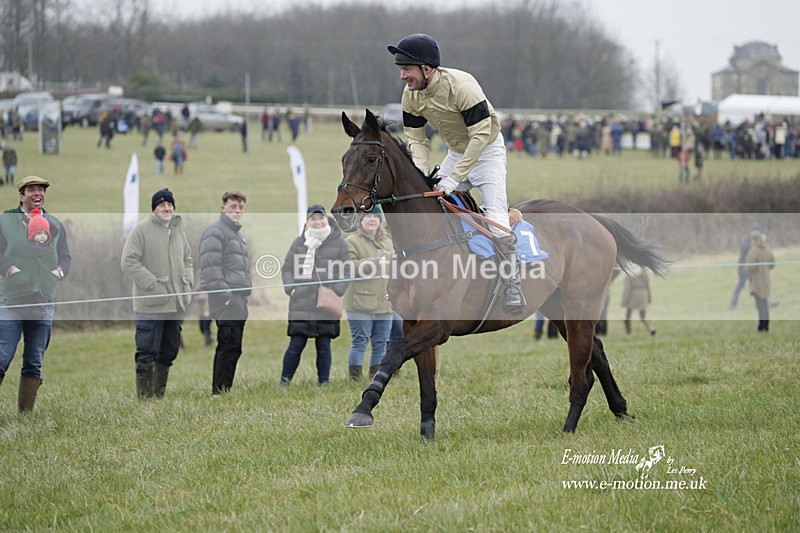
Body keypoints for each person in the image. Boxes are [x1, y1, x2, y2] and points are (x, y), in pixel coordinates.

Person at [388, 33, 526, 315]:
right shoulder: (411, 95)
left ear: (427, 68)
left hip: (487, 149)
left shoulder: (462, 85)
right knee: (430, 200)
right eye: (401, 69)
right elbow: (416, 139)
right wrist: (424, 174)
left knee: (496, 216)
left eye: (407, 68)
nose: (402, 75)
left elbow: (479, 137)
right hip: (456, 151)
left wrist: (453, 179)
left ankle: (513, 283)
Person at [0, 175, 71, 412]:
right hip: (12, 302)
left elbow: (66, 258)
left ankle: (25, 414)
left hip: (43, 303)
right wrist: (8, 268)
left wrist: (59, 272)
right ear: (21, 195)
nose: (37, 193)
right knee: (2, 358)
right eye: (31, 189)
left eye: (41, 189)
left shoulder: (55, 223)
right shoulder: (5, 219)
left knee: (34, 362)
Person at [121, 188, 193, 399]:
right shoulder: (141, 230)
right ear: (154, 208)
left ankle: (157, 395)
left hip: (175, 303)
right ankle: (145, 399)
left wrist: (187, 283)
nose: (166, 208)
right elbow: (128, 261)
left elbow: (188, 260)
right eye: (161, 205)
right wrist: (152, 284)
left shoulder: (179, 230)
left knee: (170, 350)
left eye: (169, 204)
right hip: (150, 304)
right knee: (146, 351)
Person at [280, 205, 350, 385]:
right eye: (313, 219)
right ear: (307, 221)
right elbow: (287, 268)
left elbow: (347, 270)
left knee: (324, 345)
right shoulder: (298, 242)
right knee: (296, 344)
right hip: (301, 301)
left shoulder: (339, 243)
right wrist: (291, 288)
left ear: (326, 219)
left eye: (320, 218)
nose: (317, 222)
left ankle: (323, 382)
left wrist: (336, 290)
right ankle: (284, 381)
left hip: (326, 302)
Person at [199, 191, 251, 395]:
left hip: (239, 298)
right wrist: (225, 295)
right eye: (233, 207)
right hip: (225, 299)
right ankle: (218, 392)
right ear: (223, 209)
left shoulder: (237, 234)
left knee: (234, 346)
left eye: (240, 207)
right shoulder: (215, 231)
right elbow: (210, 267)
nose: (237, 211)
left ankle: (224, 389)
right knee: (227, 344)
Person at [344, 211, 394, 381]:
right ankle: (355, 379)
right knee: (360, 341)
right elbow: (348, 267)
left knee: (381, 343)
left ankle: (376, 377)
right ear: (361, 220)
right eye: (368, 216)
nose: (372, 219)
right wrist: (374, 263)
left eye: (375, 217)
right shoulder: (351, 241)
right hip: (359, 302)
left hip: (384, 303)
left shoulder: (387, 242)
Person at [744, 230, 775, 332]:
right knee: (764, 305)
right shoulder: (767, 249)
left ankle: (762, 327)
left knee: (760, 305)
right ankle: (765, 326)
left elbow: (749, 267)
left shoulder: (754, 251)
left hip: (757, 282)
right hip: (766, 281)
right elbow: (772, 264)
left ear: (754, 240)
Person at [731, 223, 764, 310]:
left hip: (751, 269)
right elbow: (750, 250)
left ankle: (765, 303)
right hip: (743, 269)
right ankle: (733, 305)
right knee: (740, 286)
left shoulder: (753, 241)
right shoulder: (746, 241)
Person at [621, 265, 655, 335]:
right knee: (643, 315)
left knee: (628, 315)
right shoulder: (644, 274)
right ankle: (651, 328)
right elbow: (647, 286)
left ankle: (628, 332)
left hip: (632, 296)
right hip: (643, 294)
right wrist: (649, 298)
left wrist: (624, 301)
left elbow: (627, 289)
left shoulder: (628, 275)